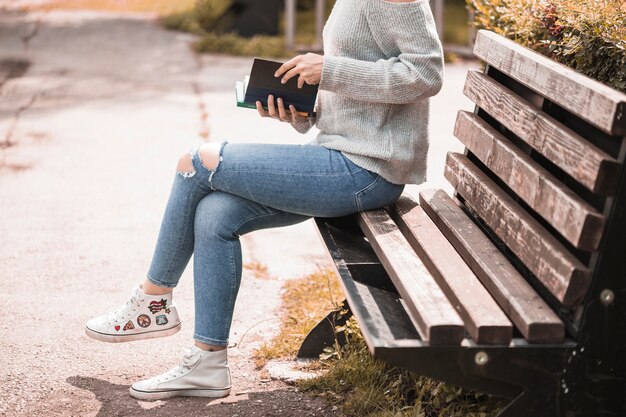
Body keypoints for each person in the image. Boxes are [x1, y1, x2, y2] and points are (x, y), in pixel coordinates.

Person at [84, 0, 443, 401]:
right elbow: (359, 91)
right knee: (214, 213)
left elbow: (425, 73)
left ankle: (152, 300)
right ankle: (208, 363)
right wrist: (302, 111)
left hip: (366, 169)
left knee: (197, 162)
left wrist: (329, 70)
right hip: (342, 156)